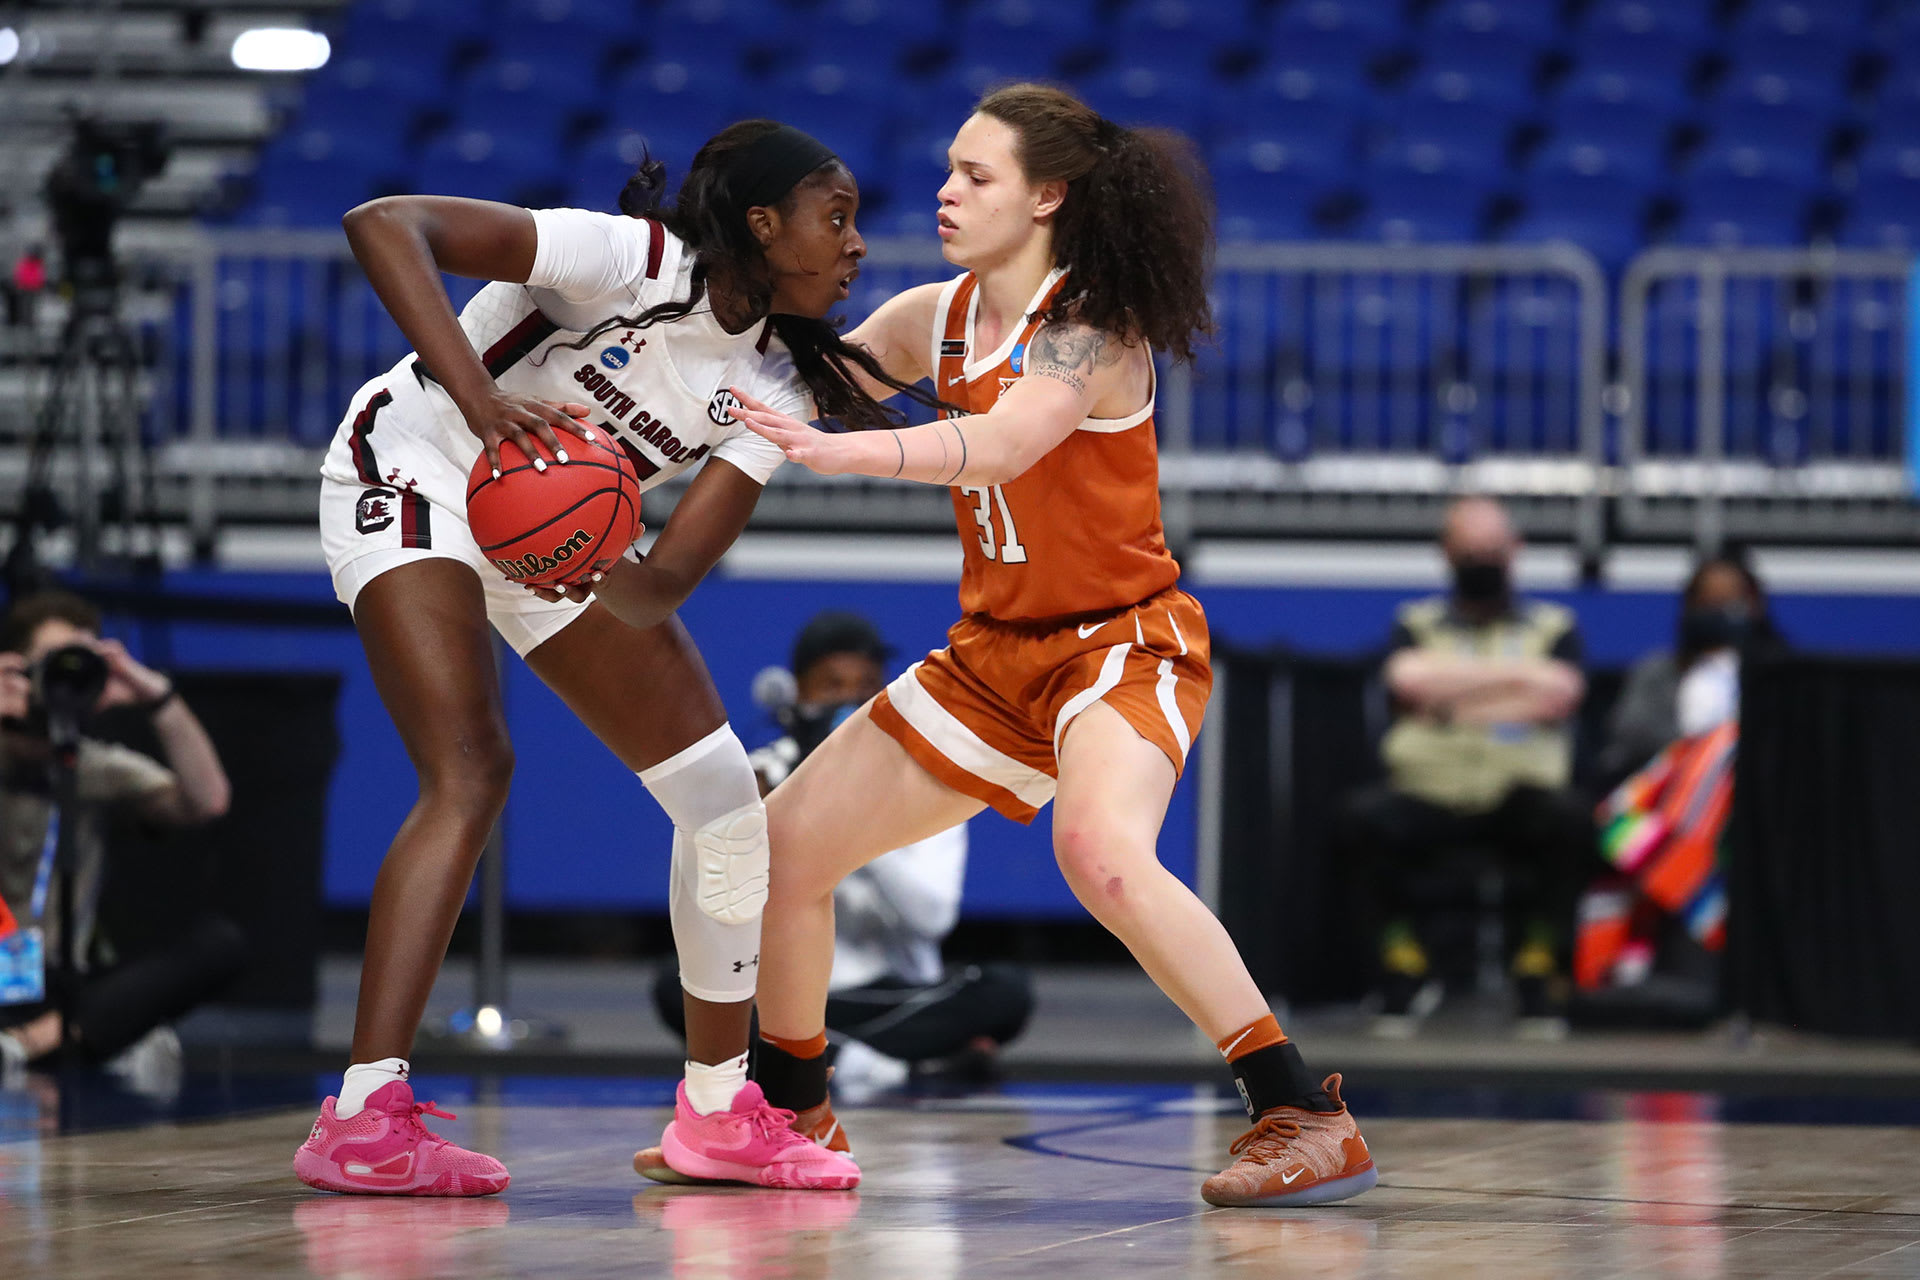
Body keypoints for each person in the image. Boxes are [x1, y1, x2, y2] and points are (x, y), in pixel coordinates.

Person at [617, 84, 1377, 1208]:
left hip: (1121, 643)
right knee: (781, 851)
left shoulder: (1092, 326)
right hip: (994, 655)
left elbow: (1000, 444)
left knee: (1102, 854)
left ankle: (1301, 1109)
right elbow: (787, 385)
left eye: (976, 174)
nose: (945, 190)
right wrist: (621, 448)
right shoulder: (939, 313)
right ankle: (789, 1105)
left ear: (1049, 195)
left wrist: (842, 456)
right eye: (948, 169)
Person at [294, 121, 947, 1196]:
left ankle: (717, 1108)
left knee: (724, 796)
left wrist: (588, 552)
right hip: (412, 462)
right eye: (838, 217)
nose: (858, 245)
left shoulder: (777, 382)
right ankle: (364, 1113)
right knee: (470, 767)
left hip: (549, 534)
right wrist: (480, 399)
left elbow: (658, 585)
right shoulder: (629, 260)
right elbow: (386, 225)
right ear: (762, 222)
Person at [648, 610, 1033, 1086]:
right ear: (798, 695)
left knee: (1005, 993)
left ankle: (813, 1059)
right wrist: (774, 810)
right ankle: (874, 1064)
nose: (849, 701)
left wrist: (846, 812)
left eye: (865, 687)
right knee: (677, 984)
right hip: (785, 993)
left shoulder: (930, 783)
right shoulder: (759, 777)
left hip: (894, 998)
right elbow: (718, 909)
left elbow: (931, 917)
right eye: (831, 687)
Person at [1332, 497, 1589, 1035]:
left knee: (1570, 818)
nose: (1481, 560)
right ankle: (1403, 968)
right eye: (1470, 551)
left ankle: (1538, 970)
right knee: (1360, 818)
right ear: (1446, 553)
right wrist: (1518, 682)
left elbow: (1560, 693)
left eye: (1492, 550)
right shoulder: (1415, 621)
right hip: (1431, 791)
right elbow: (1406, 681)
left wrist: (1447, 700)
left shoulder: (1554, 625)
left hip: (1518, 794)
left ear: (1516, 551)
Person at [0, 590, 241, 1081]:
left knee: (220, 945)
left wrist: (159, 699)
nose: (63, 676)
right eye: (51, 664)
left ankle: (50, 1038)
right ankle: (88, 1039)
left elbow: (208, 800)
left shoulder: (88, 764)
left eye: (77, 662)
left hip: (60, 978)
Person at [1597, 551, 1784, 788]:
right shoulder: (1657, 671)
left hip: (1749, 788)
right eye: (1710, 603)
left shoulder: (1779, 676)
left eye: (1732, 602)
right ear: (1691, 606)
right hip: (1668, 789)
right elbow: (1632, 732)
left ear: (1755, 605)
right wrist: (1702, 753)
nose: (1721, 613)